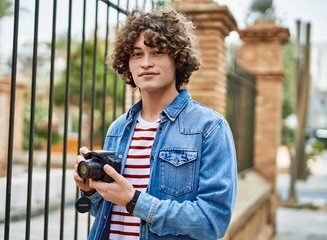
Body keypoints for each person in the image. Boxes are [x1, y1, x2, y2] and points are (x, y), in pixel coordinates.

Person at [73, 5, 237, 240]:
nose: (146, 62)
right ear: (127, 63)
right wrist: (90, 190)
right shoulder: (118, 129)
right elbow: (107, 212)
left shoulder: (209, 128)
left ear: (177, 59)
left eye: (157, 52)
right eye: (137, 54)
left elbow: (213, 221)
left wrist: (134, 200)